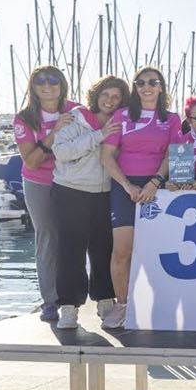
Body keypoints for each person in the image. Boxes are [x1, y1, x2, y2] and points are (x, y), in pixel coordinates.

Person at [99, 66, 178, 330]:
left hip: (158, 188)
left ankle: (156, 304)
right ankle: (122, 305)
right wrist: (127, 186)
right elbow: (106, 156)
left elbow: (173, 154)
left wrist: (155, 182)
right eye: (141, 82)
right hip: (125, 188)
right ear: (135, 87)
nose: (147, 87)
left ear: (161, 87)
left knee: (156, 252)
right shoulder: (122, 115)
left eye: (153, 82)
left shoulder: (172, 119)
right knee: (122, 252)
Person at [50, 75, 127, 330]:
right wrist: (99, 135)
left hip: (106, 192)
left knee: (104, 250)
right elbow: (62, 151)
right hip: (71, 190)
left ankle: (105, 300)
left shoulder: (123, 122)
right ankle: (68, 307)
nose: (109, 100)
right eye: (105, 94)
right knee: (70, 252)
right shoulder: (75, 118)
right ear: (96, 95)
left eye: (116, 96)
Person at [13, 65, 80, 322]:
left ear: (62, 85)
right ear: (33, 86)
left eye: (53, 80)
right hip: (39, 182)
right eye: (41, 81)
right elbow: (31, 161)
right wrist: (54, 133)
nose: (47, 85)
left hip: (72, 180)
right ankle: (50, 301)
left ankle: (74, 298)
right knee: (47, 238)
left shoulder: (76, 110)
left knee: (75, 238)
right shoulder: (24, 118)